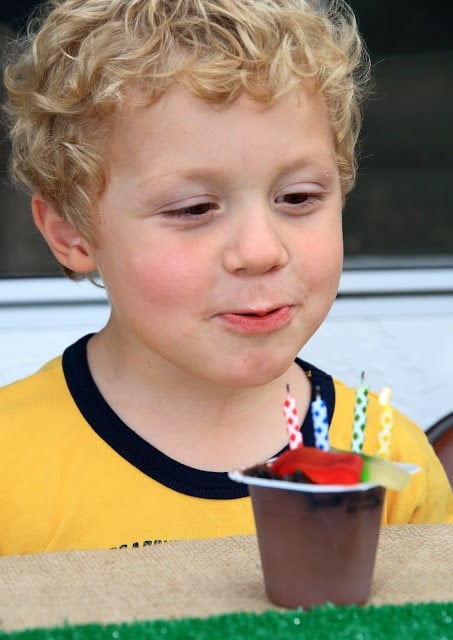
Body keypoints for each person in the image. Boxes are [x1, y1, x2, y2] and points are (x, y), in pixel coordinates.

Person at [1, 0, 451, 557]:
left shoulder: (390, 463)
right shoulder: (10, 465)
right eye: (193, 209)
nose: (260, 252)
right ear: (71, 233)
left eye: (298, 198)